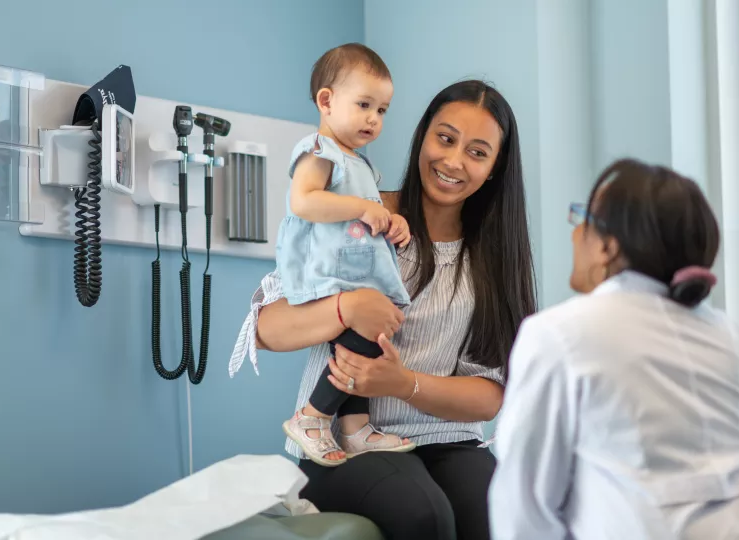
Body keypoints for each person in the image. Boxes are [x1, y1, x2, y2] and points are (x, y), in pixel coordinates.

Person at [229, 79, 537, 540]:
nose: (453, 161)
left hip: (450, 441)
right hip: (345, 443)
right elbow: (266, 329)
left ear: (494, 167)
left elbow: (491, 392)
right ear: (422, 138)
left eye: (477, 152)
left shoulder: (493, 256)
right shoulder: (360, 216)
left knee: (499, 513)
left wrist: (402, 384)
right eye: (445, 139)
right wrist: (345, 307)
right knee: (423, 516)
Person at [487, 159, 739, 539]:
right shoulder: (735, 339)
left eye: (582, 219)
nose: (574, 235)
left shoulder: (560, 334)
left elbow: (524, 506)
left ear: (607, 245)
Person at [261, 42, 416, 466]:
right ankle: (313, 417)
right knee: (362, 337)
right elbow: (304, 202)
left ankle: (354, 429)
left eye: (382, 110)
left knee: (362, 341)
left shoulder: (362, 165)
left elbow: (370, 217)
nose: (374, 118)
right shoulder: (319, 151)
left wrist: (390, 220)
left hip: (354, 272)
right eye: (364, 104)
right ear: (326, 101)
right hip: (325, 272)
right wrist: (364, 208)